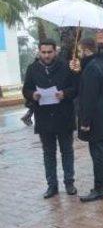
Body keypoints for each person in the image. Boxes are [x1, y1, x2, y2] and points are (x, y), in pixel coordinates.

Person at [22, 39, 78, 199]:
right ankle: (52, 186)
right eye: (43, 52)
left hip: (63, 116)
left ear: (55, 52)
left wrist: (64, 94)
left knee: (67, 151)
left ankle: (69, 183)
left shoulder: (66, 67)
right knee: (48, 153)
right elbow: (26, 88)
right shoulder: (32, 69)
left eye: (49, 52)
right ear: (39, 52)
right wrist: (32, 94)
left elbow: (75, 88)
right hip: (44, 117)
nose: (46, 55)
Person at [71, 38, 103, 202]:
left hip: (94, 117)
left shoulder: (91, 69)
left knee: (97, 153)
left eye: (80, 51)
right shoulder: (101, 64)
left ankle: (100, 188)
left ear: (86, 50)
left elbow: (88, 98)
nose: (79, 54)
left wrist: (85, 122)